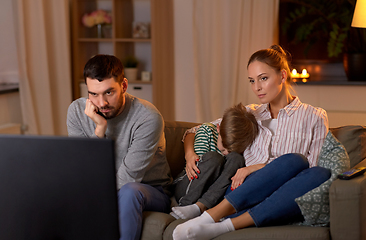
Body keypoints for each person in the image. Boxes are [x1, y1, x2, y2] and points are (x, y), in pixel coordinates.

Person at [173, 45, 331, 240]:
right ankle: (213, 215)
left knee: (311, 169)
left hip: (284, 193)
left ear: (282, 76)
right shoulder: (251, 113)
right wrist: (190, 155)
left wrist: (254, 167)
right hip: (242, 192)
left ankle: (221, 224)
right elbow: (194, 131)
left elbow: (313, 170)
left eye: (263, 78)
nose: (257, 87)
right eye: (252, 81)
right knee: (295, 160)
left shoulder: (314, 116)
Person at [66, 54, 172, 240]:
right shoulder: (76, 111)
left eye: (109, 92)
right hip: (102, 188)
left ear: (123, 85)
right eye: (93, 94)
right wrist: (99, 129)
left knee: (129, 191)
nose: (101, 103)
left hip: (148, 191)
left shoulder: (147, 117)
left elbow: (128, 178)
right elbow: (82, 170)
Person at [171, 103, 258, 220]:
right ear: (218, 129)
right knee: (214, 158)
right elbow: (198, 170)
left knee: (236, 158)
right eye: (224, 147)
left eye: (230, 149)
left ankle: (202, 207)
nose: (226, 152)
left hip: (210, 195)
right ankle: (186, 206)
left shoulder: (236, 147)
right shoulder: (206, 131)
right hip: (188, 184)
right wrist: (190, 154)